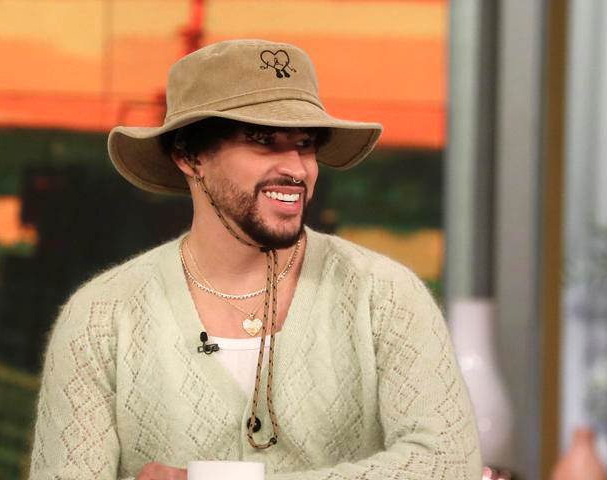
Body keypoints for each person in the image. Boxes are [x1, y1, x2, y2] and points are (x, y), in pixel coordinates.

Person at [29, 39, 482, 480]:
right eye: (263, 141)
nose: (297, 168)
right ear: (189, 155)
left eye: (305, 144)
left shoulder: (384, 294)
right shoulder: (101, 317)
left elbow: (450, 465)